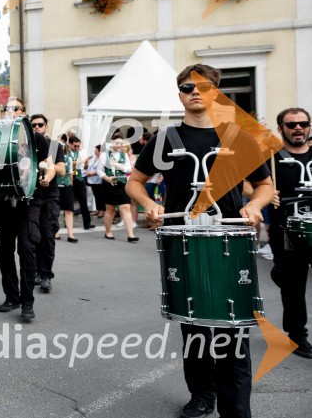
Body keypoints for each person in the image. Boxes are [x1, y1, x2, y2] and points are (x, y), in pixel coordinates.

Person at [126, 64, 273, 418]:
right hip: (183, 240)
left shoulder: (238, 138)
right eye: (187, 86)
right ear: (179, 94)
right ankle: (202, 395)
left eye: (204, 86)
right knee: (193, 326)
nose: (195, 91)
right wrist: (149, 204)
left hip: (229, 240)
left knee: (233, 327)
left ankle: (237, 410)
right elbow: (135, 181)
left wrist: (253, 205)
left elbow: (265, 186)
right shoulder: (165, 140)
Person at [0, 98, 54, 319]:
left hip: (29, 203)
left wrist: (46, 175)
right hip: (2, 203)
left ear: (23, 113)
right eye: (6, 109)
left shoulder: (36, 138)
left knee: (27, 249)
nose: (10, 112)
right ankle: (12, 297)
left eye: (15, 109)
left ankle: (28, 301)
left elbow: (49, 164)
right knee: (5, 252)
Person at [267, 107, 312, 358]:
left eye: (303, 124)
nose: (298, 128)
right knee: (294, 285)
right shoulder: (271, 158)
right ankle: (298, 337)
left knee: (291, 280)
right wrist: (265, 194)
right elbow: (249, 187)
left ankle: (280, 274)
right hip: (285, 228)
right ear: (281, 128)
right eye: (292, 124)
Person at [29, 114, 65, 293]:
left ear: (46, 126)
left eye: (40, 125)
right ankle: (34, 271)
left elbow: (61, 169)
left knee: (48, 235)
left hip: (50, 196)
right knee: (32, 235)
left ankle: (45, 275)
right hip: (31, 196)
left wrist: (47, 172)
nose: (36, 127)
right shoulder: (25, 146)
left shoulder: (54, 146)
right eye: (33, 125)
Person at [97, 137, 139, 242]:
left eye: (121, 143)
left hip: (122, 183)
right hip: (109, 183)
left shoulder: (124, 155)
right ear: (112, 143)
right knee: (110, 209)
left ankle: (131, 234)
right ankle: (108, 232)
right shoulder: (104, 155)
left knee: (126, 207)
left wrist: (118, 165)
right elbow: (99, 171)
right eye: (117, 143)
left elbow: (129, 169)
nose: (120, 145)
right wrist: (107, 178)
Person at [67, 136, 93, 230]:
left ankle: (87, 223)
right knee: (69, 202)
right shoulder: (67, 152)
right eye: (75, 146)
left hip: (79, 178)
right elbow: (71, 163)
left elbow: (85, 168)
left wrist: (86, 163)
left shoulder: (80, 153)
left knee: (83, 201)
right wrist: (82, 161)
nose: (77, 148)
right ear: (70, 144)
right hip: (70, 178)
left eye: (78, 146)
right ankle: (68, 223)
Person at [55, 141, 78, 242]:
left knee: (69, 210)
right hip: (56, 186)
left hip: (67, 186)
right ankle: (55, 232)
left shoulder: (68, 158)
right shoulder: (53, 159)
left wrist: (71, 186)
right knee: (56, 211)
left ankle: (70, 234)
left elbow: (70, 174)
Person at [86, 144, 105, 217]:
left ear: (99, 151)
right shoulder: (94, 158)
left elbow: (99, 170)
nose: (94, 151)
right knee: (96, 195)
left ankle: (102, 210)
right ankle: (98, 209)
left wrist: (91, 173)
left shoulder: (101, 159)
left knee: (100, 196)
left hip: (98, 180)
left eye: (96, 150)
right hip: (92, 181)